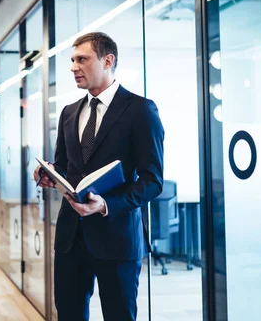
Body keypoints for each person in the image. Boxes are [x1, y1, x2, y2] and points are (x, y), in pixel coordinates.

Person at [34, 32, 164, 321]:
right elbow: (66, 167)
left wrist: (106, 204)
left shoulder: (140, 110)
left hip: (117, 238)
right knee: (68, 314)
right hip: (70, 238)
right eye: (72, 60)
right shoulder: (69, 113)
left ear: (108, 61)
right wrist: (50, 174)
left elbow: (153, 181)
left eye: (82, 59)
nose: (73, 67)